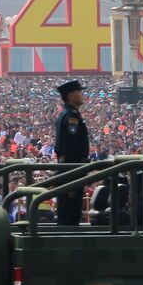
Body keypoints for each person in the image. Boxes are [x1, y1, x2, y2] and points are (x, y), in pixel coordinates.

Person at [54, 80, 90, 225]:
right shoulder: (71, 117)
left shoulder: (69, 114)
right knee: (70, 212)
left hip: (69, 167)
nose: (82, 94)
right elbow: (71, 145)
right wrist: (74, 172)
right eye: (79, 91)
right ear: (70, 95)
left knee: (70, 210)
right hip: (71, 168)